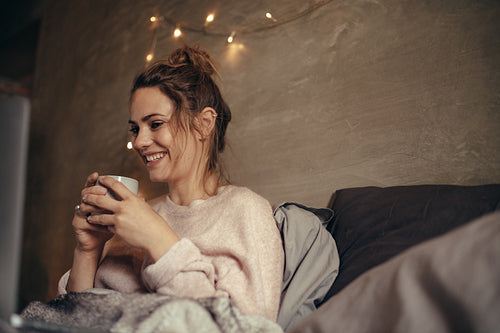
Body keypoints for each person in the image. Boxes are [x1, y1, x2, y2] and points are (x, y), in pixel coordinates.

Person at [59, 45, 284, 321]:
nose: (139, 142)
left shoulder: (245, 211)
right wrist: (88, 250)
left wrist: (157, 237)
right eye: (135, 128)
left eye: (155, 124)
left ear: (204, 124)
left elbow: (246, 326)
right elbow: (74, 319)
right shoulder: (131, 215)